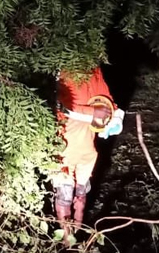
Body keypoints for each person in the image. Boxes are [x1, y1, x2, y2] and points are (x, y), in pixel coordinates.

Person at [52, 66, 124, 241]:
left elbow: (107, 100)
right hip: (63, 151)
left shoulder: (93, 68)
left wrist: (115, 118)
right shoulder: (61, 67)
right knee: (64, 196)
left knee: (81, 198)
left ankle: (78, 240)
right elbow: (61, 106)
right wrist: (93, 113)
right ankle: (66, 240)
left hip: (87, 151)